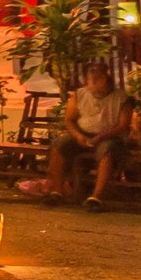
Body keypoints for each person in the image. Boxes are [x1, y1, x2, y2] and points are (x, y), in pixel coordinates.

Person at [46, 63, 133, 209]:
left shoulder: (121, 98)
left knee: (107, 151)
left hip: (109, 136)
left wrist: (100, 137)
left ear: (106, 78)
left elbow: (123, 126)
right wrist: (78, 135)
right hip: (83, 133)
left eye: (98, 79)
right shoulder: (79, 95)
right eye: (90, 79)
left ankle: (96, 196)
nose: (93, 83)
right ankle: (57, 191)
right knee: (59, 145)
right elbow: (69, 120)